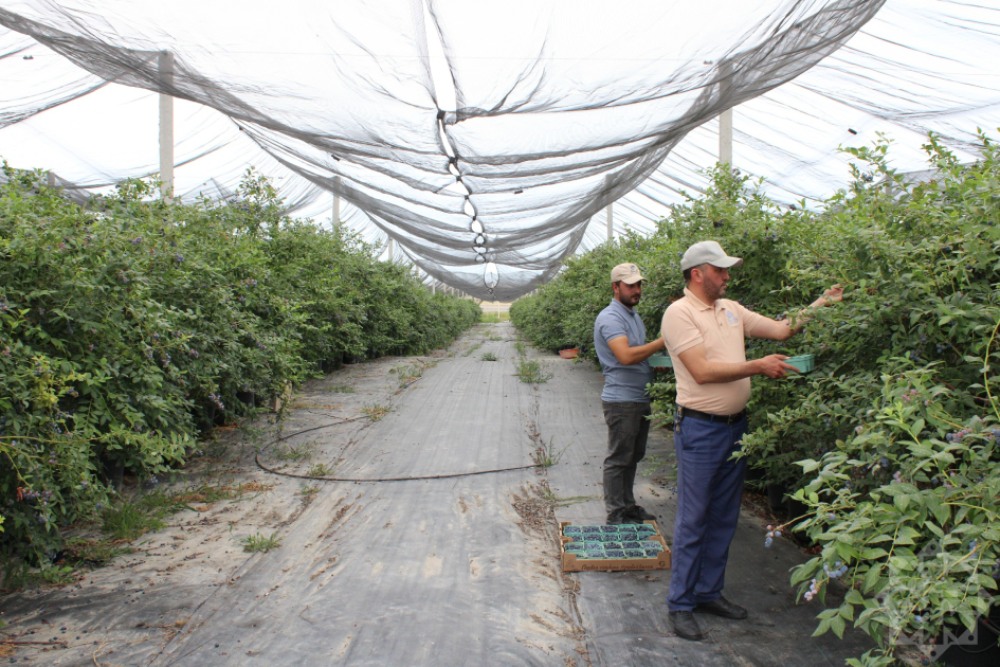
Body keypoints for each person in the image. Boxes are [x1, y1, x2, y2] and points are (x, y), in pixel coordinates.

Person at [661, 240, 843, 642]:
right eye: (720, 270)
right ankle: (681, 604)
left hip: (734, 428)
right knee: (694, 517)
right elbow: (702, 372)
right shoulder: (679, 314)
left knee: (724, 515)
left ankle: (708, 592)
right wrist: (757, 366)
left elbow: (782, 330)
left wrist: (822, 302)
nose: (727, 276)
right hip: (700, 430)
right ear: (698, 274)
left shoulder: (731, 309)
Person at [593, 262, 668, 525]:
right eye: (630, 285)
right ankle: (615, 512)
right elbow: (625, 356)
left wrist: (654, 361)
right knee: (619, 458)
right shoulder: (611, 318)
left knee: (633, 456)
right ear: (616, 287)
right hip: (622, 400)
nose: (637, 290)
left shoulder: (633, 317)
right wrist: (663, 341)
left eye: (638, 285)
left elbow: (637, 354)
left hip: (637, 398)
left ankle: (627, 505)